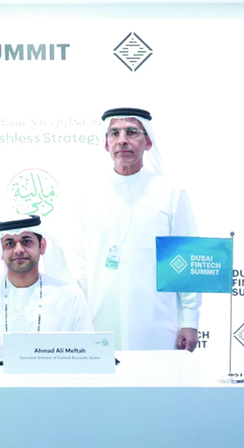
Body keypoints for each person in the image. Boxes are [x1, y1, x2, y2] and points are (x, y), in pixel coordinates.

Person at [69, 107, 200, 351]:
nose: (122, 140)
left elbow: (187, 262)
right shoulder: (88, 196)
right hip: (98, 321)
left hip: (158, 323)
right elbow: (78, 264)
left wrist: (190, 322)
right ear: (106, 144)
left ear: (148, 142)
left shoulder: (170, 194)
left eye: (132, 132)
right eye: (114, 133)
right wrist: (77, 320)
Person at [0, 215, 93, 355]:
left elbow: (90, 349)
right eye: (10, 243)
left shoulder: (70, 296)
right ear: (0, 251)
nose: (18, 250)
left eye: (26, 241)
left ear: (42, 246)